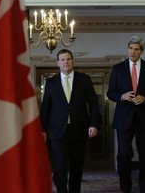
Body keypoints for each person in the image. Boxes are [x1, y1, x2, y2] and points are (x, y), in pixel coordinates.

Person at [107, 36, 145, 193]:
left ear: (142, 51)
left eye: (136, 49)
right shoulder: (118, 68)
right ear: (127, 50)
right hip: (123, 118)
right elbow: (110, 92)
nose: (133, 51)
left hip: (143, 118)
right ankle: (126, 188)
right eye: (130, 48)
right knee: (124, 154)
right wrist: (122, 96)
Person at [40, 48, 100, 193]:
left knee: (76, 167)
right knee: (59, 167)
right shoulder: (51, 83)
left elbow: (93, 104)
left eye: (68, 59)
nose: (65, 62)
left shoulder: (84, 80)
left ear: (72, 61)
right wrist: (42, 130)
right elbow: (45, 108)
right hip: (57, 132)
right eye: (62, 60)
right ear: (58, 63)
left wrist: (94, 124)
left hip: (78, 131)